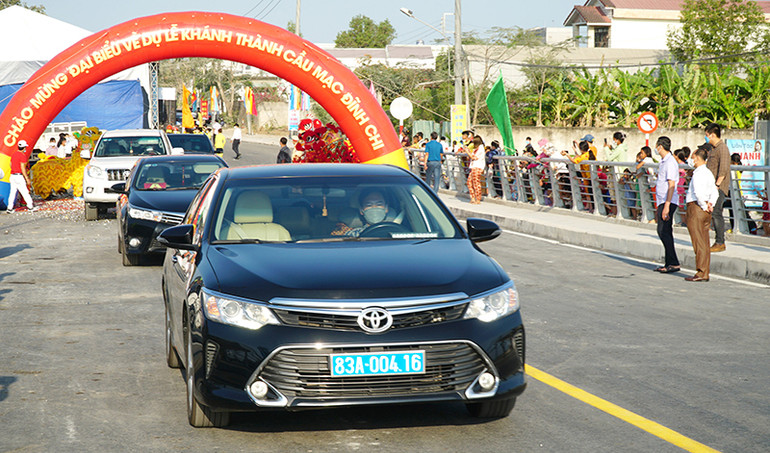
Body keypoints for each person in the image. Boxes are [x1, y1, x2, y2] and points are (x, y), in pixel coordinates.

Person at [684, 146, 719, 282]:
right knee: (704, 242)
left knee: (698, 242)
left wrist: (704, 206)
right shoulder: (708, 173)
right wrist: (711, 204)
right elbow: (714, 192)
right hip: (706, 208)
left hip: (697, 208)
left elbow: (698, 193)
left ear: (697, 158)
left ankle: (701, 272)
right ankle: (705, 271)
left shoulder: (698, 173)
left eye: (693, 158)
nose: (692, 160)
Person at [652, 136, 680, 274]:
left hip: (667, 201)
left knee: (663, 231)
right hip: (662, 200)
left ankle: (673, 262)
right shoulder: (664, 161)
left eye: (657, 146)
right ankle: (670, 262)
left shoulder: (670, 162)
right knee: (664, 231)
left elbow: (671, 185)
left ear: (660, 147)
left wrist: (667, 205)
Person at [704, 123, 731, 252]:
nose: (706, 138)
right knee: (711, 212)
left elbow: (724, 169)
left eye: (707, 135)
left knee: (716, 213)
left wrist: (717, 185)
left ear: (712, 135)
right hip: (711, 186)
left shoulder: (722, 148)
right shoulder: (713, 149)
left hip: (718, 187)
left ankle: (720, 242)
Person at [331, 189, 399, 237]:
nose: (374, 207)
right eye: (369, 205)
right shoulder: (353, 234)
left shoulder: (398, 233)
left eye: (379, 204)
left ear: (386, 208)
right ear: (361, 210)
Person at [5, 140, 37, 213]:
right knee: (25, 192)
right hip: (19, 176)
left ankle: (9, 208)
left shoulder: (14, 154)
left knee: (12, 192)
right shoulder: (22, 156)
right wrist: (27, 178)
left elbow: (10, 164)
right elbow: (23, 168)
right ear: (24, 147)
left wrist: (14, 169)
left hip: (12, 176)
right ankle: (30, 206)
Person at [465, 136, 486, 204]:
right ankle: (473, 197)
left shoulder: (481, 148)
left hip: (478, 166)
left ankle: (478, 198)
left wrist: (467, 152)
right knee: (469, 182)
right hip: (473, 166)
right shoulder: (477, 149)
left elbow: (474, 157)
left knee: (476, 183)